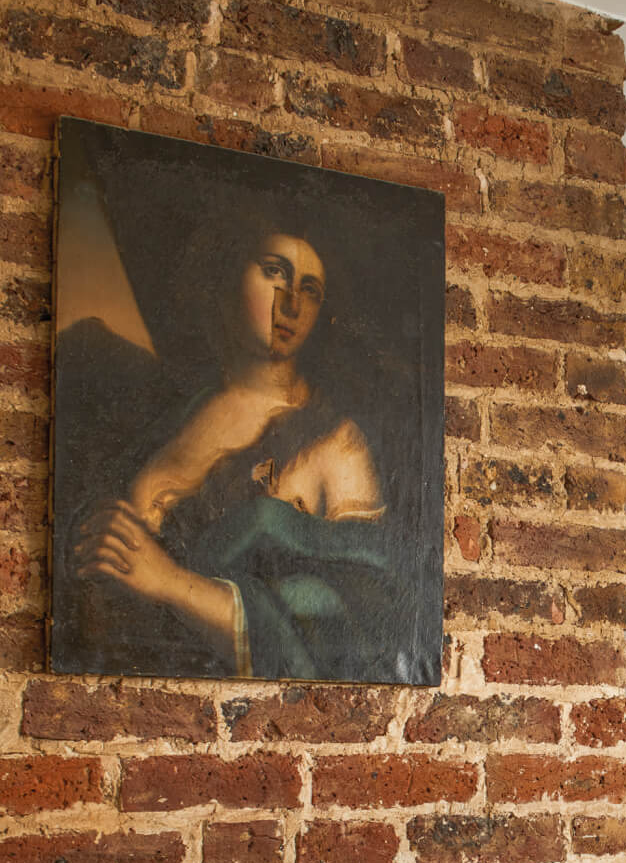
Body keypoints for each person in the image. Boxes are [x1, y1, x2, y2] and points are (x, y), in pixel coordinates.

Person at [69, 214, 398, 681]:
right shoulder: (178, 414)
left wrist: (167, 582)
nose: (291, 303)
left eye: (310, 290)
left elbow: (348, 623)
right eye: (274, 271)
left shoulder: (335, 441)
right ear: (224, 279)